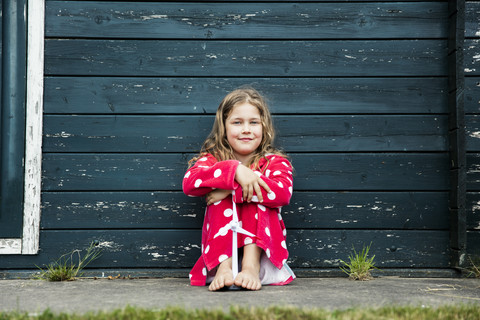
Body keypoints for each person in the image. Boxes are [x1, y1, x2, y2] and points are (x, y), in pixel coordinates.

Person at [182, 87, 295, 291]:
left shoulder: (275, 162)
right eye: (237, 122)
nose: (246, 129)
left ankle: (250, 267)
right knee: (226, 195)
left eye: (253, 122)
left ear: (264, 127)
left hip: (263, 251)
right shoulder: (213, 160)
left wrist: (230, 189)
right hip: (221, 250)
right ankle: (225, 267)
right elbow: (190, 183)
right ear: (224, 127)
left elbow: (283, 194)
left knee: (257, 195)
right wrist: (234, 171)